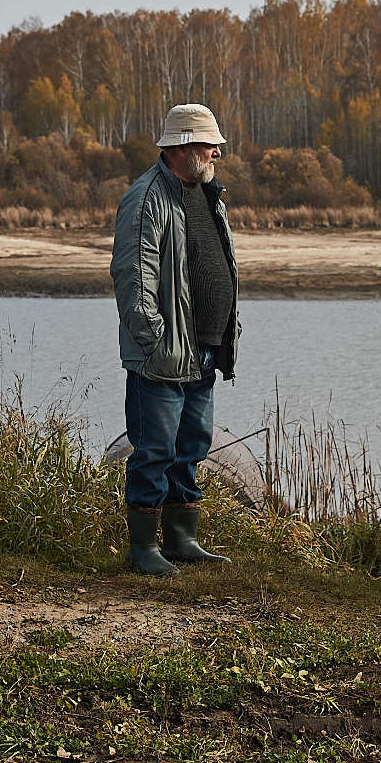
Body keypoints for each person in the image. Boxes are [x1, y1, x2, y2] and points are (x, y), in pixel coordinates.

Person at [109, 104, 241, 577]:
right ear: (183, 146)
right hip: (163, 353)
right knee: (155, 449)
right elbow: (133, 274)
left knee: (193, 445)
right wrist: (154, 341)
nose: (218, 152)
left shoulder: (208, 194)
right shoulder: (145, 198)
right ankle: (144, 548)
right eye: (210, 144)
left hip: (205, 347)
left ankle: (183, 539)